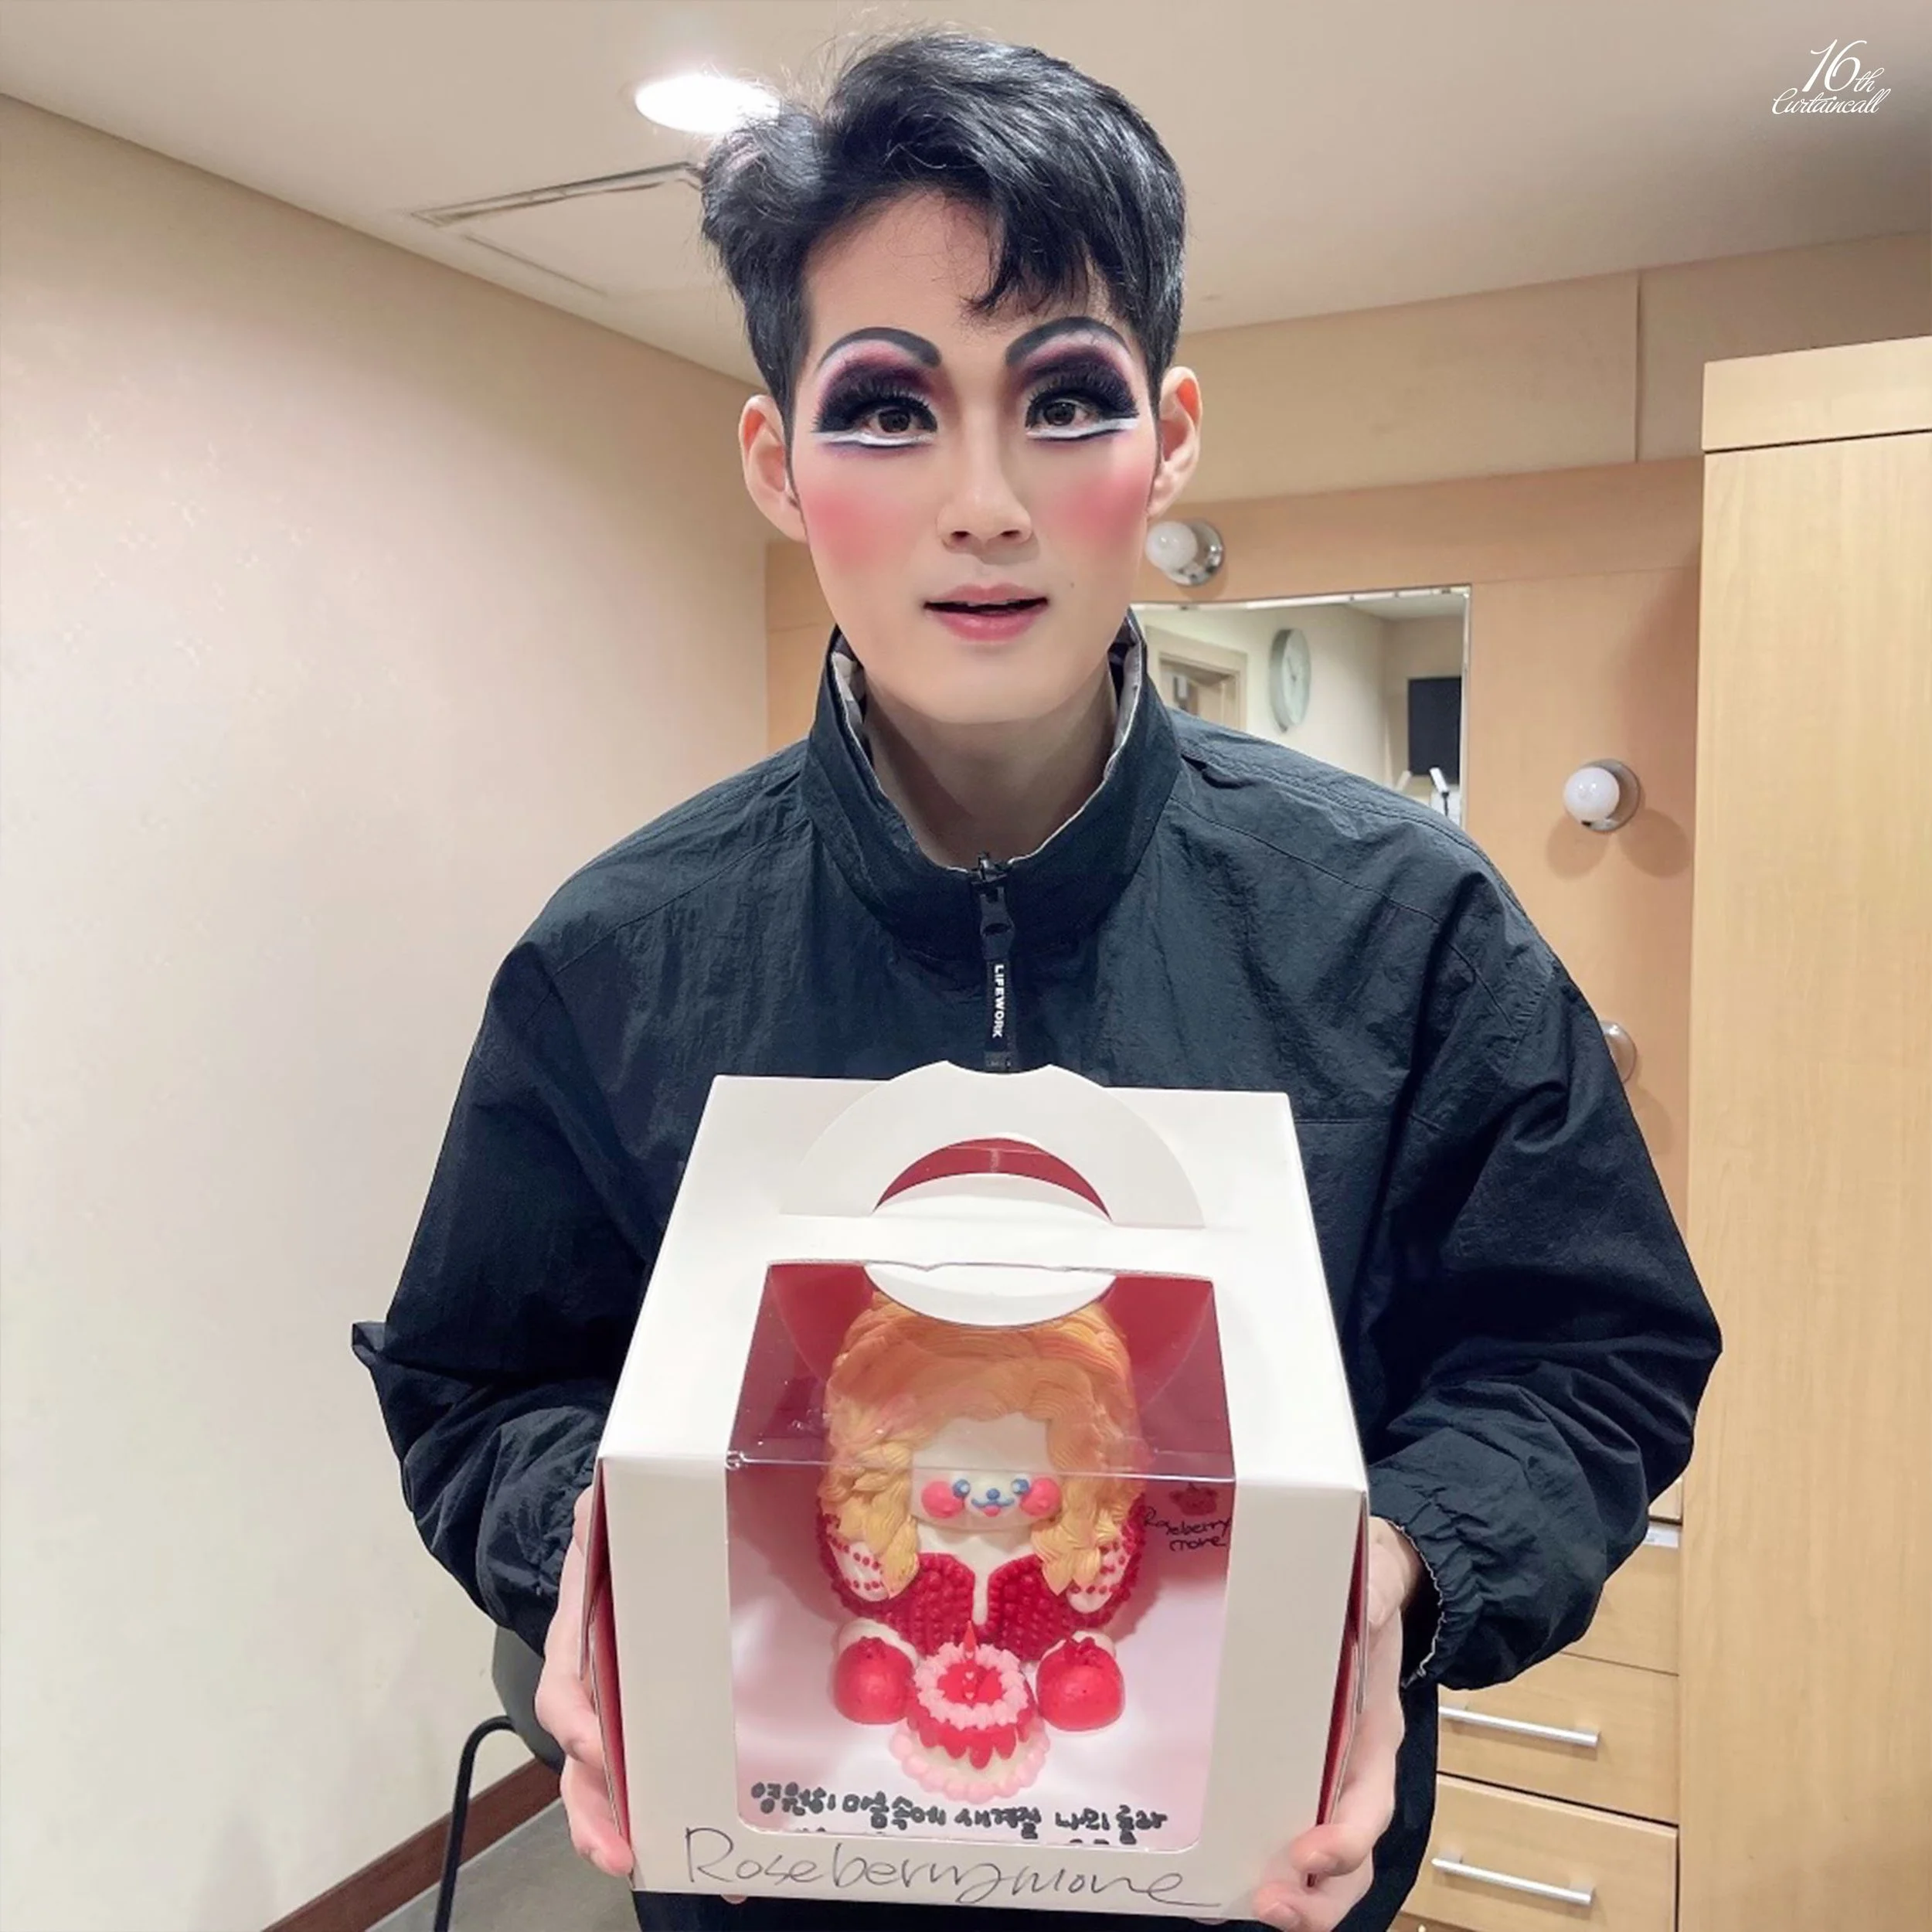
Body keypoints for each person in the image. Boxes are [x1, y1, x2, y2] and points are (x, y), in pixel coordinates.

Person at [351, 30, 1719, 1932]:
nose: (981, 498)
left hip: (1242, 1884)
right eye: (886, 409)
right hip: (781, 1876)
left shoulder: (1401, 925)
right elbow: (477, 1376)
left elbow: (1585, 1354)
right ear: (776, 461)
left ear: (1168, 436)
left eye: (1062, 400)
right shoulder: (619, 954)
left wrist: (1398, 1563)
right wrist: (591, 1533)